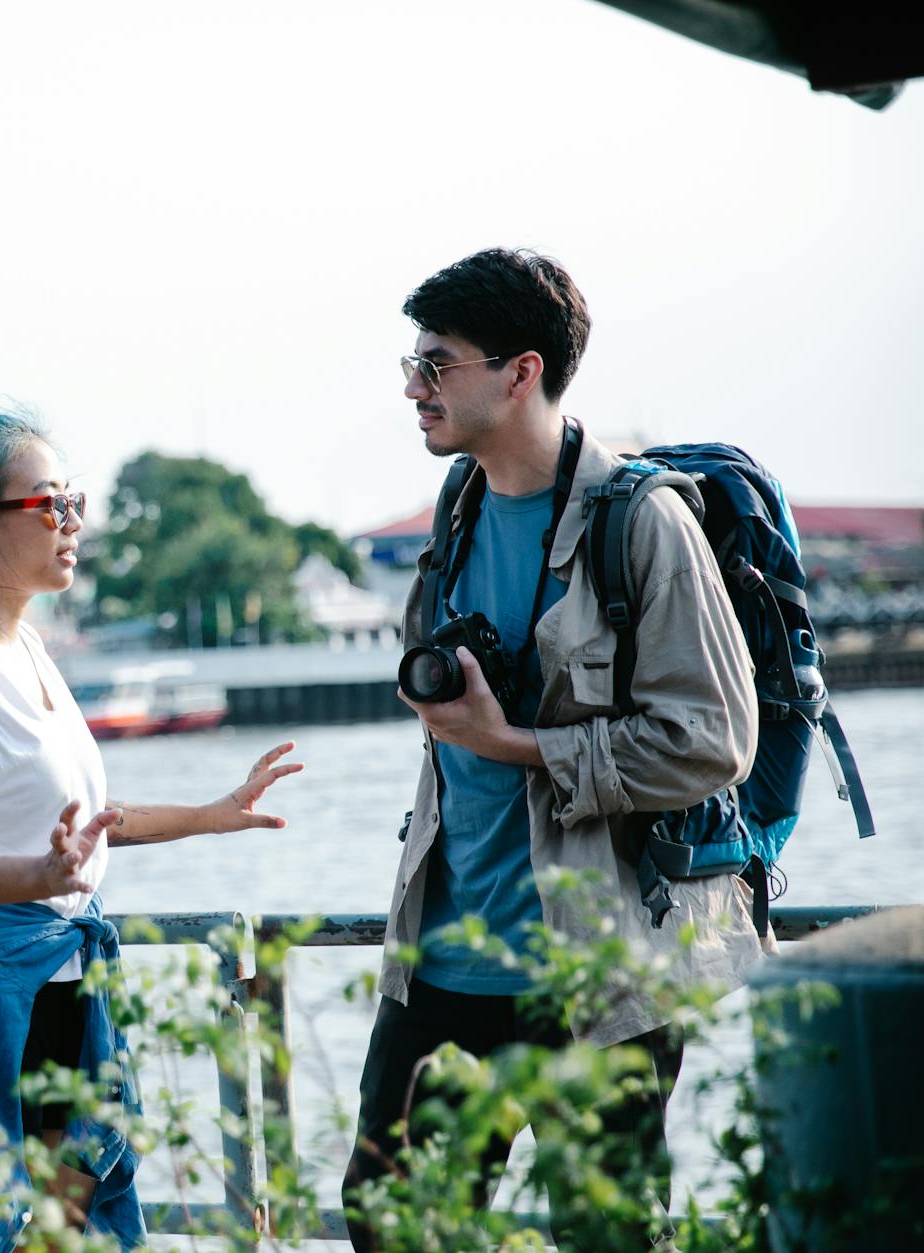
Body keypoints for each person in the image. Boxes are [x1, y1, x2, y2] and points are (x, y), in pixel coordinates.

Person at [341, 249, 765, 1250]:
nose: (412, 386)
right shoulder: (456, 506)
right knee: (388, 1225)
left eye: (437, 364)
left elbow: (713, 739)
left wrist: (517, 741)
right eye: (411, 362)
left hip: (594, 974)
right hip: (442, 959)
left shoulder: (642, 521)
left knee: (604, 1235)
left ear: (519, 371)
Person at [0, 411, 304, 1253]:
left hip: (58, 977)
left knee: (56, 1234)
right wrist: (38, 877)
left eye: (75, 500)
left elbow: (75, 830)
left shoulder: (25, 645)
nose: (74, 522)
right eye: (51, 504)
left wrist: (213, 814)